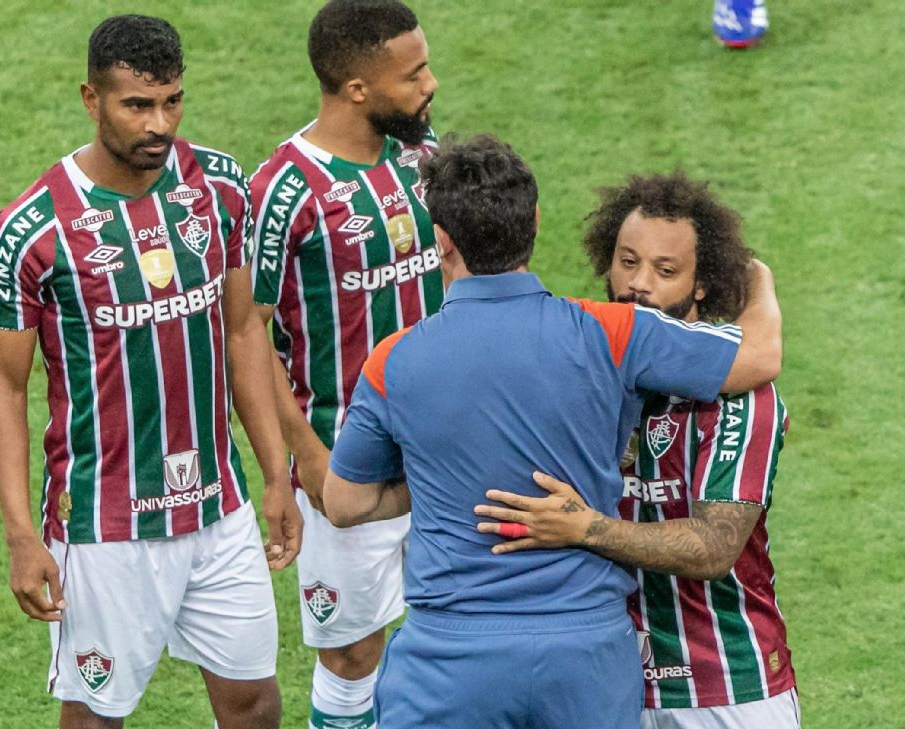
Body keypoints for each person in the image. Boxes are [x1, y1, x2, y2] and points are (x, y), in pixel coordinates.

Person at [321, 135, 783, 729]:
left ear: (441, 242)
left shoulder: (393, 363)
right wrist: (759, 280)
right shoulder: (614, 333)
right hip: (587, 660)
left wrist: (442, 476)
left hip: (450, 665)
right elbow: (758, 358)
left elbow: (345, 503)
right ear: (535, 223)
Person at [0, 15, 301, 728]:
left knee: (254, 704)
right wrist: (19, 534)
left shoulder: (221, 188)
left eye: (173, 101)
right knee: (97, 716)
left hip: (220, 507)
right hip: (104, 523)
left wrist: (277, 472)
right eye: (137, 105)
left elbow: (244, 329)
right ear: (91, 99)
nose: (160, 124)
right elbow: (3, 386)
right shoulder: (33, 230)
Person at [476, 171, 799, 727]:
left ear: (703, 284)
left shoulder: (742, 400)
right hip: (604, 690)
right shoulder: (580, 373)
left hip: (726, 690)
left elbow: (715, 547)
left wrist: (585, 529)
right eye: (627, 262)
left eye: (665, 271)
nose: (638, 285)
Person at [248, 1, 439, 726]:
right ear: (357, 88)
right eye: (413, 72)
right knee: (353, 654)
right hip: (344, 460)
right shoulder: (283, 190)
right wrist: (308, 457)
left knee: (451, 634)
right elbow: (248, 335)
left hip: (442, 449)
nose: (429, 83)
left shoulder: (426, 159)